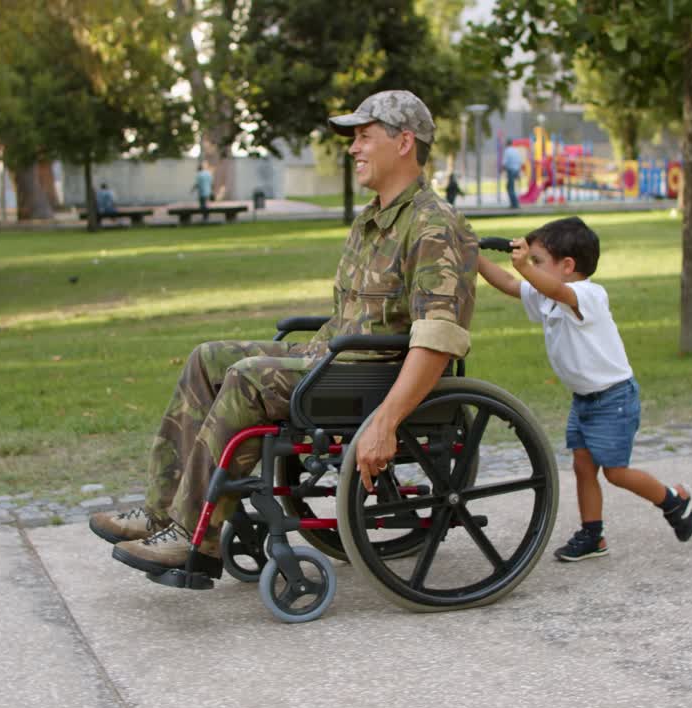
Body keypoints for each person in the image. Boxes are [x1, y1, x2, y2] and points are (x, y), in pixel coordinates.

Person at [95, 90, 479, 577]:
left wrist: (385, 422)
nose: (354, 148)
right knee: (207, 358)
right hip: (333, 358)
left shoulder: (431, 225)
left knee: (248, 377)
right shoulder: (372, 221)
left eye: (364, 136)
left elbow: (436, 340)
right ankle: (160, 510)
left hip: (370, 376)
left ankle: (198, 536)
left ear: (405, 142)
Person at [475, 217, 692, 561]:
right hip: (585, 400)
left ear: (567, 266)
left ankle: (672, 499)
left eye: (537, 261)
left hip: (614, 399)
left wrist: (523, 266)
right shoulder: (548, 296)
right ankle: (593, 535)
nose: (529, 268)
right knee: (582, 465)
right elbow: (507, 283)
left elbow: (557, 291)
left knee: (616, 472)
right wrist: (473, 257)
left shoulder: (588, 295)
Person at [502, 140, 523, 209]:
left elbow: (504, 162)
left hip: (510, 170)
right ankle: (514, 203)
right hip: (516, 170)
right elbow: (520, 161)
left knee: (510, 188)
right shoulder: (515, 150)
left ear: (507, 144)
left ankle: (515, 204)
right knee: (512, 187)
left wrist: (502, 169)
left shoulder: (507, 151)